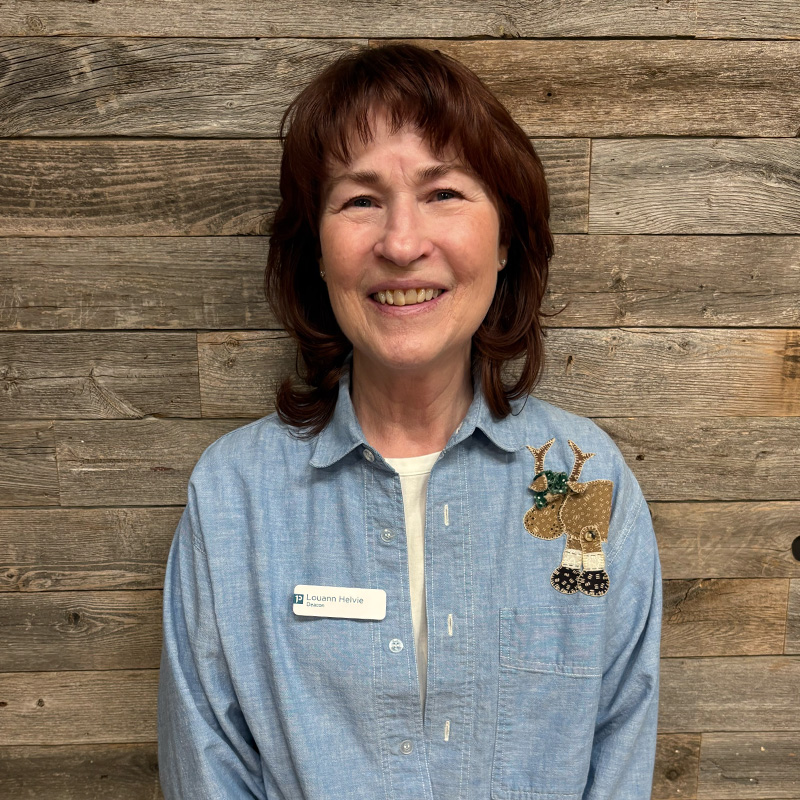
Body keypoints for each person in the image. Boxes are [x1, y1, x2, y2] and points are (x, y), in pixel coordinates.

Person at [158, 43, 662, 800]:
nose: (401, 243)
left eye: (444, 193)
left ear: (505, 240)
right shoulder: (234, 497)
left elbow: (619, 746)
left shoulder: (590, 481)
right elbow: (206, 771)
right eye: (360, 200)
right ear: (315, 251)